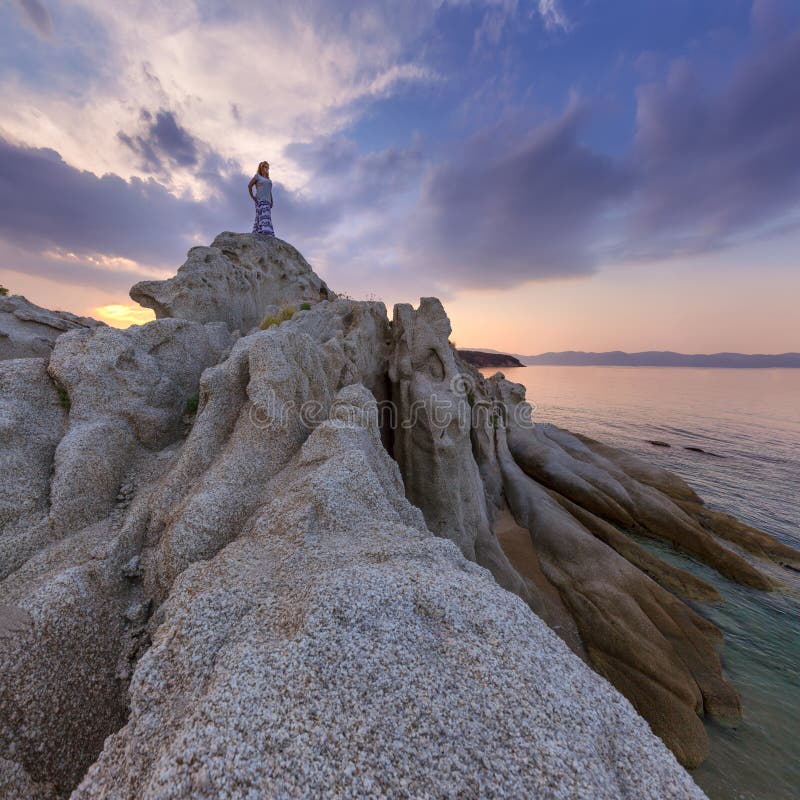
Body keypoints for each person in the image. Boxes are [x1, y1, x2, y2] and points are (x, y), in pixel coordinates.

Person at [248, 161, 275, 237]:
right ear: (261, 167)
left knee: (265, 216)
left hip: (267, 201)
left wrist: (272, 201)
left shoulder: (269, 180)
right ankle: (264, 232)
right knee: (261, 216)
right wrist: (253, 197)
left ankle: (261, 232)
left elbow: (269, 191)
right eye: (265, 167)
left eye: (268, 167)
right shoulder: (258, 176)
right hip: (260, 200)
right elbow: (249, 186)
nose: (267, 169)